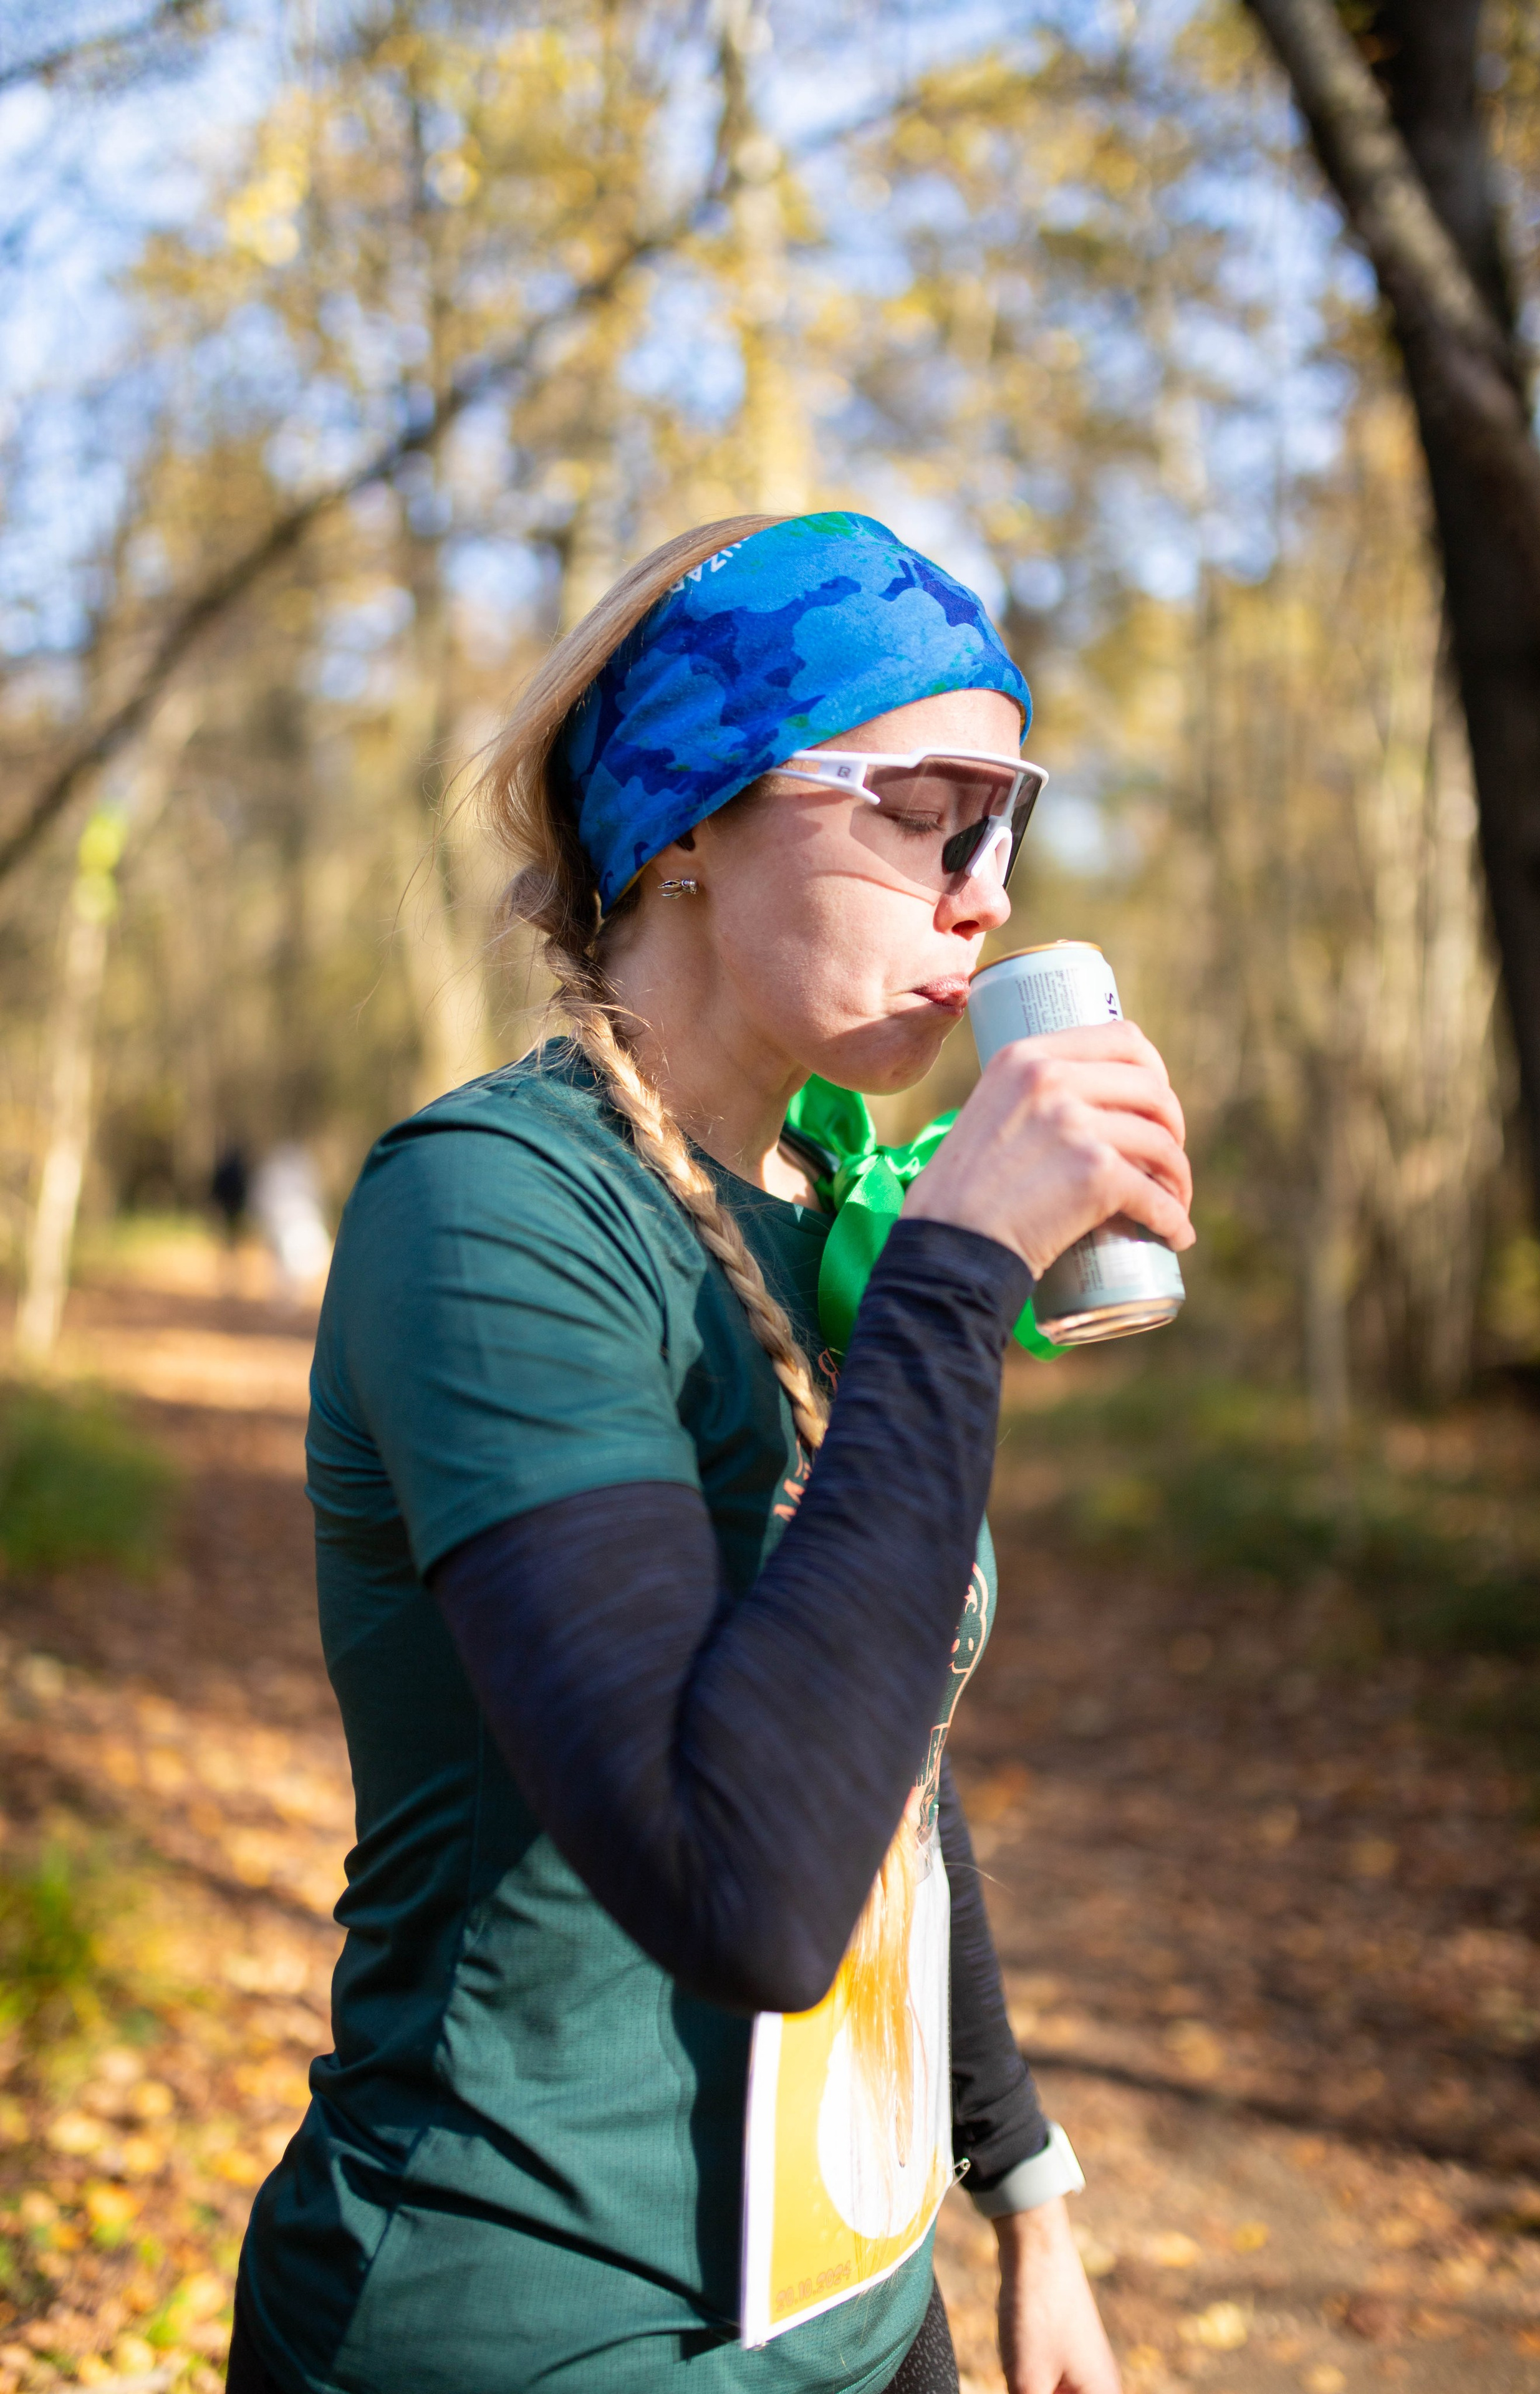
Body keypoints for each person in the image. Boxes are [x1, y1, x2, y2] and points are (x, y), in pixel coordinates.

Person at [228, 512, 1193, 2394]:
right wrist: (958, 1280)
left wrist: (1025, 2192)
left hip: (851, 2304)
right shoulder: (494, 1213)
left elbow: (875, 1737)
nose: (985, 895)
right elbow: (742, 1889)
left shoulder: (830, 1209)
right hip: (533, 2325)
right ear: (687, 818)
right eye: (934, 813)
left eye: (1008, 828)